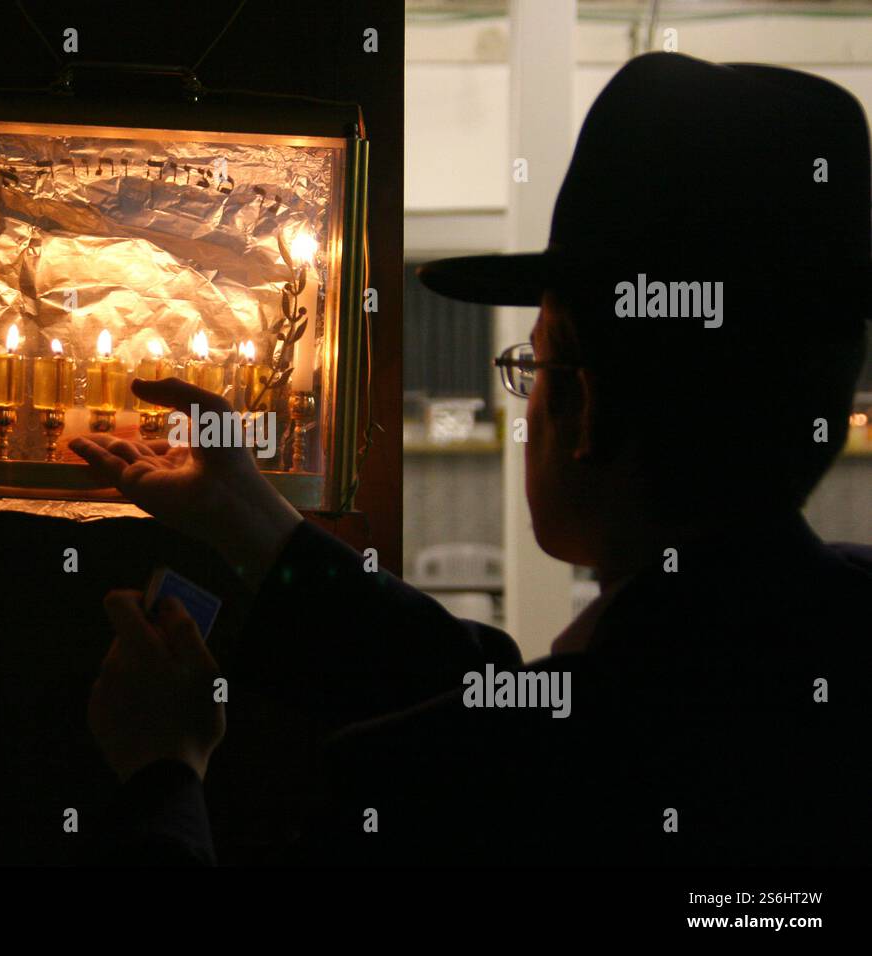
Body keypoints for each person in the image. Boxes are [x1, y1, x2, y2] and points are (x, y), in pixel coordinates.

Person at [70, 52, 872, 865]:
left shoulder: (439, 791)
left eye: (532, 364)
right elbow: (502, 689)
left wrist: (162, 777)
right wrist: (250, 521)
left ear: (582, 405)